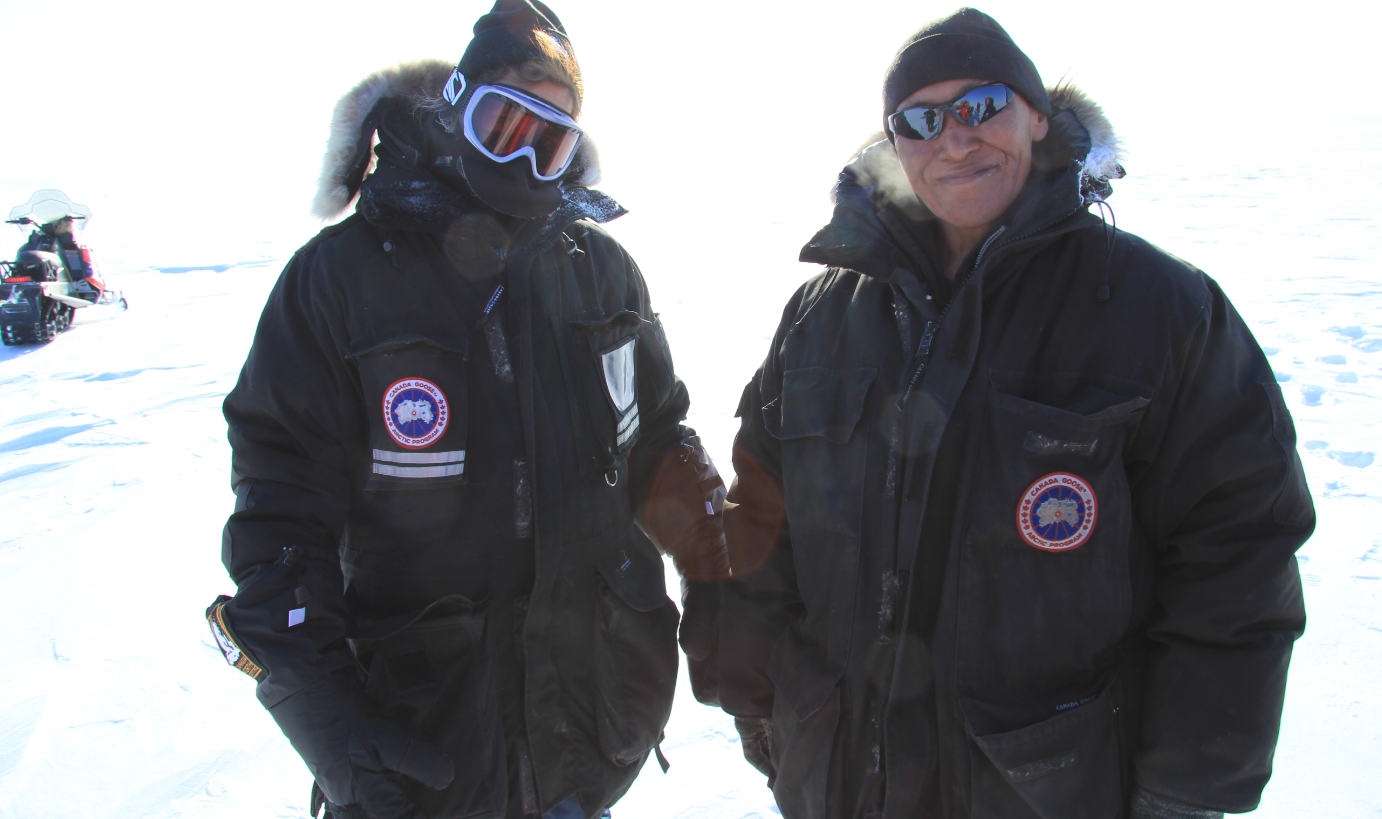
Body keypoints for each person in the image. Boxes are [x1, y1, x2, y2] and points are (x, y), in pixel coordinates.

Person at [708, 8, 1312, 819]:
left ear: (1036, 114)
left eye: (981, 104)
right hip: (841, 781)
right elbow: (756, 526)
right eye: (920, 120)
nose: (954, 138)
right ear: (894, 148)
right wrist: (760, 709)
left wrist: (1184, 792)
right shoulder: (821, 318)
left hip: (1053, 788)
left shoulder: (1161, 309)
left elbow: (1237, 555)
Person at [207, 3, 728, 818]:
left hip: (587, 738)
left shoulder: (602, 275)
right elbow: (280, 514)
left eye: (550, 139)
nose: (524, 153)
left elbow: (658, 439)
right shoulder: (339, 282)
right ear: (455, 104)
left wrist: (723, 564)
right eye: (505, 120)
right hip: (418, 753)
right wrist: (326, 721)